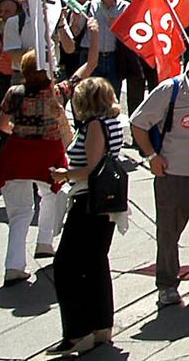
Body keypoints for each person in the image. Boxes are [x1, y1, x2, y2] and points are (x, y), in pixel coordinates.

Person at [128, 40, 189, 307]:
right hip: (174, 171)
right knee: (170, 230)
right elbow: (137, 123)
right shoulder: (169, 91)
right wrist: (151, 156)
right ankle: (167, 285)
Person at [47, 76, 123, 355]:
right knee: (95, 263)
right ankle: (101, 326)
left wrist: (64, 174)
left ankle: (77, 331)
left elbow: (91, 168)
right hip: (106, 203)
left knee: (66, 265)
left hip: (88, 201)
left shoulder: (94, 126)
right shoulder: (110, 123)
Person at [0, 49, 70, 284]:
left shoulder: (14, 92)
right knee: (51, 195)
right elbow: (86, 70)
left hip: (17, 154)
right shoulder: (54, 94)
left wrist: (21, 133)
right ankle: (45, 241)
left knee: (20, 213)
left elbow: (3, 124)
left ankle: (14, 265)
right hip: (47, 153)